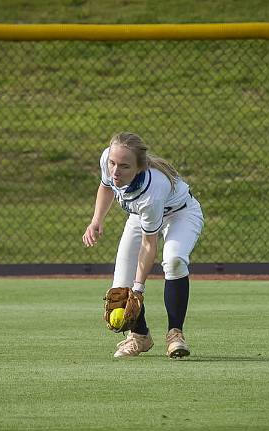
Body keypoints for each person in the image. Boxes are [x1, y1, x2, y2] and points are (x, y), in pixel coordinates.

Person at [82, 132, 204, 358]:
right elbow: (106, 186)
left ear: (139, 167)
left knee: (174, 259)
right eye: (112, 163)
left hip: (180, 214)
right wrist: (96, 220)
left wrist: (139, 288)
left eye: (124, 166)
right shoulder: (109, 159)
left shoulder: (152, 189)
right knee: (120, 287)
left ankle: (175, 334)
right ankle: (140, 336)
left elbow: (149, 246)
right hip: (141, 216)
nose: (116, 171)